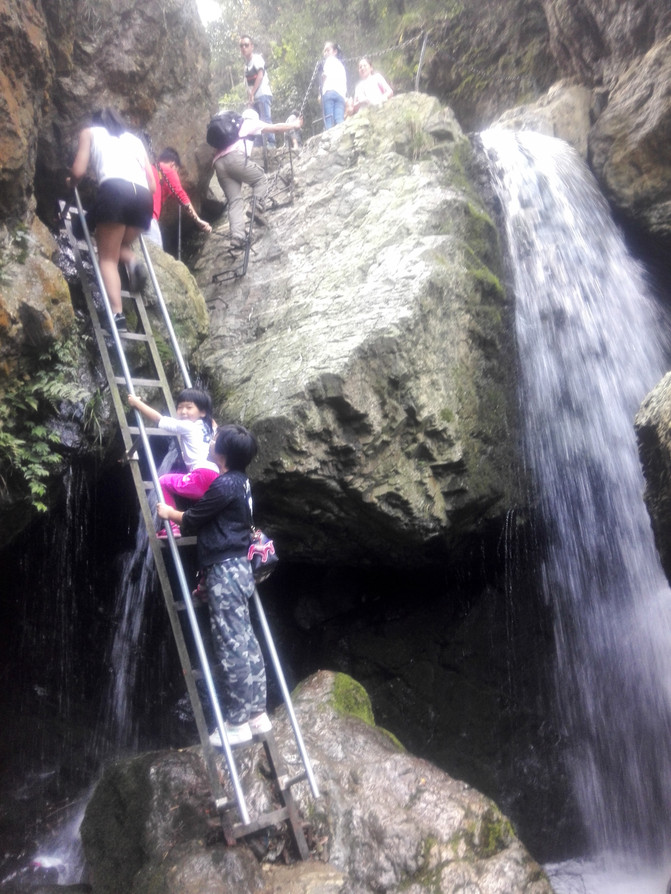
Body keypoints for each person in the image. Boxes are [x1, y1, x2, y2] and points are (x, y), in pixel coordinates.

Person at [157, 423, 271, 746]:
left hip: (225, 568)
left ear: (221, 453)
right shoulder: (243, 483)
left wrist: (169, 511)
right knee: (245, 639)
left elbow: (192, 520)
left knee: (230, 643)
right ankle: (256, 713)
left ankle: (236, 722)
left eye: (214, 439)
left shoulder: (223, 486)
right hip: (239, 568)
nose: (209, 441)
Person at [67, 108, 156, 331]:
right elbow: (153, 185)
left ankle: (117, 315)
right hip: (144, 199)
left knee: (106, 258)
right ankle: (133, 262)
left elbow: (78, 172)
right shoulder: (135, 141)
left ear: (97, 123)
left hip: (115, 192)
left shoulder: (89, 133)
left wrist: (70, 182)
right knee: (119, 246)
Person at [127, 388, 219, 538]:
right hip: (216, 479)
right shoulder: (211, 428)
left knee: (162, 481)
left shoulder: (188, 425)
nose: (183, 412)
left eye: (189, 407)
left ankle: (172, 526)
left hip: (201, 476)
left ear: (202, 412)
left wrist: (137, 404)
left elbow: (159, 419)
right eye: (180, 407)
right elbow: (214, 423)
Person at [212, 109, 303, 250]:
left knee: (234, 200)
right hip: (234, 159)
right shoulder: (249, 123)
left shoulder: (232, 129)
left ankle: (238, 237)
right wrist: (294, 125)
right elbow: (276, 128)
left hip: (218, 164)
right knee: (260, 179)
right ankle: (256, 208)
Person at [147, 147, 212, 249]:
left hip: (133, 215)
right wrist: (198, 220)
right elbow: (181, 195)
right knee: (155, 250)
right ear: (173, 164)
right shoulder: (168, 170)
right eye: (176, 171)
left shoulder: (150, 169)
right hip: (148, 217)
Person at [240, 35, 275, 148]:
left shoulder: (257, 59)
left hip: (262, 94)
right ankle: (259, 146)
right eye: (241, 46)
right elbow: (248, 86)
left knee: (265, 119)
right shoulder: (246, 67)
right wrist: (249, 99)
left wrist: (252, 94)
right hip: (254, 97)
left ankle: (271, 143)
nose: (244, 48)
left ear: (252, 46)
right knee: (255, 122)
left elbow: (260, 76)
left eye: (246, 45)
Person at [320, 41, 347, 130]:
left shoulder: (328, 61)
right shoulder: (341, 65)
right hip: (341, 94)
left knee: (329, 120)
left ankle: (330, 141)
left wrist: (320, 92)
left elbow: (325, 77)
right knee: (339, 119)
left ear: (335, 51)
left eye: (328, 50)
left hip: (329, 92)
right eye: (325, 51)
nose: (326, 52)